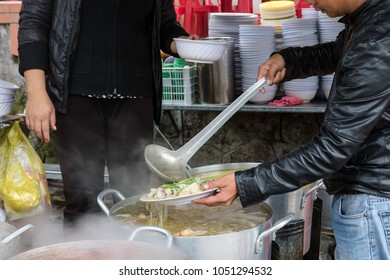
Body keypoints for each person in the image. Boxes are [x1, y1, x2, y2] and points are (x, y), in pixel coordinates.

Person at [195, 0, 390, 260]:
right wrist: (288, 59)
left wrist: (246, 184)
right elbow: (339, 51)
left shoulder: (376, 40)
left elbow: (332, 148)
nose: (308, 2)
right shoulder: (373, 20)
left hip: (370, 201)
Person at [17, 0, 193, 231]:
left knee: (135, 199)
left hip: (136, 96)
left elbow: (164, 24)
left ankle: (131, 264)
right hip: (75, 96)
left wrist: (182, 44)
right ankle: (83, 262)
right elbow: (34, 22)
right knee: (82, 202)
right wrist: (36, 92)